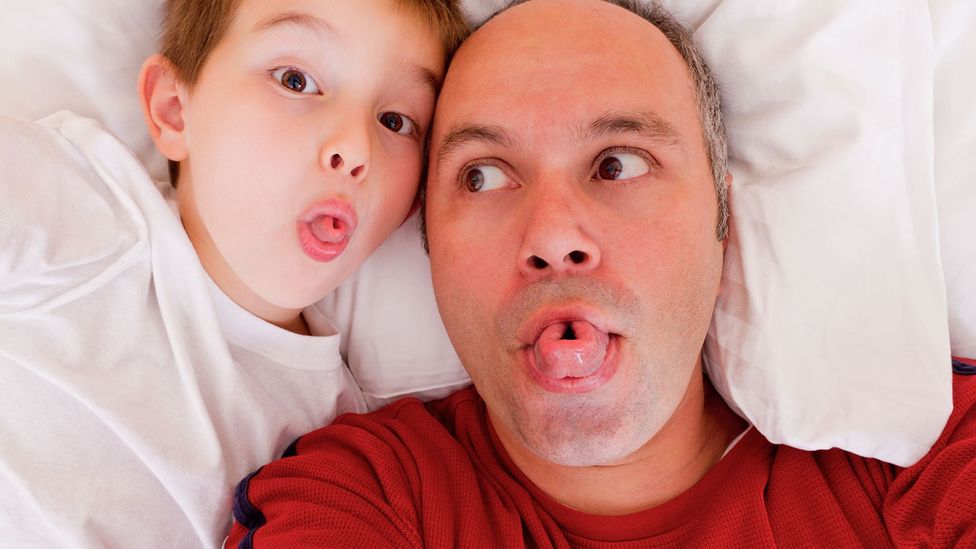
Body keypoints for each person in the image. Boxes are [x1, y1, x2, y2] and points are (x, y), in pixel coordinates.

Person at [226, 0, 976, 547]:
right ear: (429, 243)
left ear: (721, 219)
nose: (554, 238)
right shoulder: (358, 499)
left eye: (617, 164)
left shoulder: (921, 440)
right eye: (484, 176)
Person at [0, 0, 467, 547]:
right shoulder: (85, 208)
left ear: (411, 205)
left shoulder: (341, 439)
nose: (355, 148)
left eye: (395, 121)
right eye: (296, 80)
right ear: (176, 110)